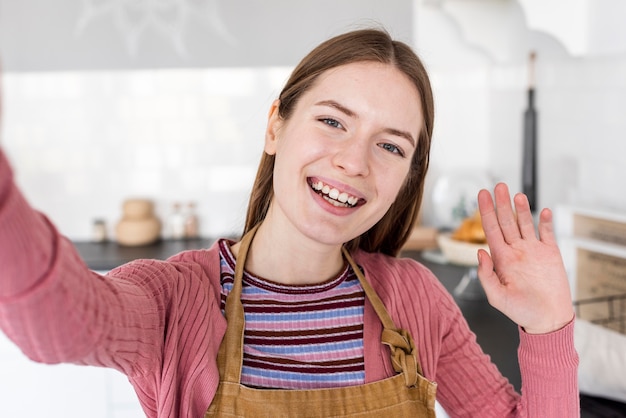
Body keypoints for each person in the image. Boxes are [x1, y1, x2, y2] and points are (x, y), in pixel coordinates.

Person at [0, 28, 578, 417]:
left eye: (391, 146)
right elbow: (56, 324)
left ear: (408, 176)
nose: (354, 161)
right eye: (332, 121)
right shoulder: (177, 300)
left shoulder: (414, 300)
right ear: (275, 125)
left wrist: (550, 323)